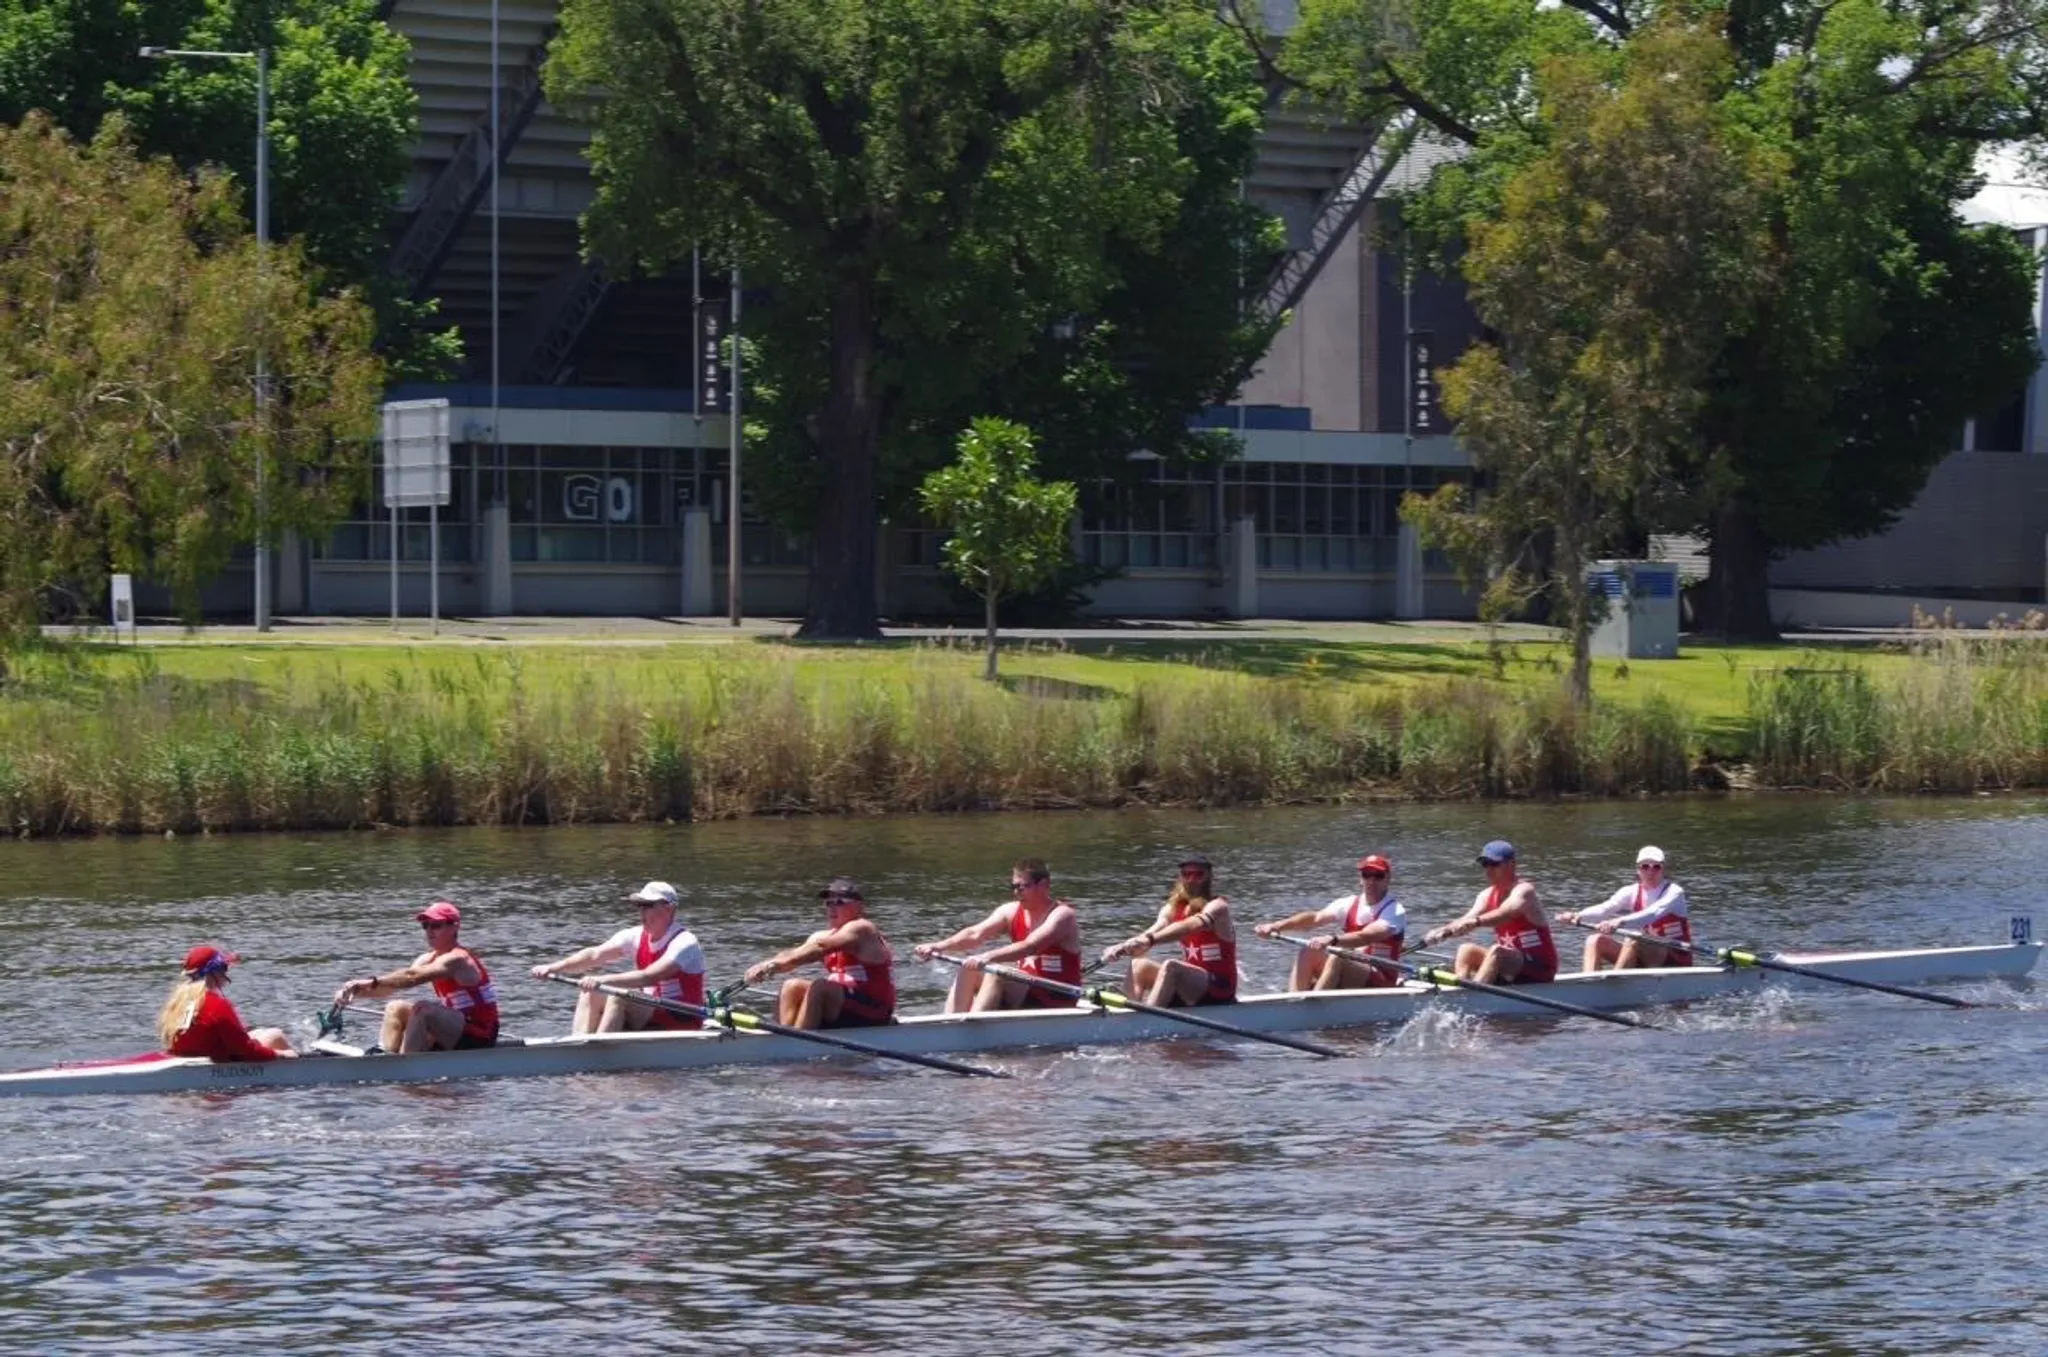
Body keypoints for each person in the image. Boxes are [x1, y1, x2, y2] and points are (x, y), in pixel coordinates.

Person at [530, 881, 709, 1033]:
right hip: (650, 1013)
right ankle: (581, 1045)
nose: (642, 912)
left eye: (648, 906)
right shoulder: (635, 936)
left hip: (681, 1019)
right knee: (591, 991)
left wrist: (602, 980)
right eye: (640, 906)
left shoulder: (685, 943)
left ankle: (598, 1053)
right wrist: (553, 967)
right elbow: (594, 955)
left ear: (669, 909)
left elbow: (649, 976)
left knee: (618, 994)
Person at [913, 858, 1084, 1013]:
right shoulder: (1009, 911)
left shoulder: (1063, 916)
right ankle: (951, 1023)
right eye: (1014, 887)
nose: (1017, 892)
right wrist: (938, 946)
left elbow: (1031, 946)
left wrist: (987, 957)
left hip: (1057, 996)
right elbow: (975, 934)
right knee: (968, 967)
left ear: (1044, 885)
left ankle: (972, 1028)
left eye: (1023, 886)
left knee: (997, 972)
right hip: (1027, 991)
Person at [334, 901, 500, 1053]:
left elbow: (411, 977)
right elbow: (391, 987)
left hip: (480, 1035)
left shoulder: (459, 959)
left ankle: (405, 1065)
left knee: (423, 1009)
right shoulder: (427, 959)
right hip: (455, 1029)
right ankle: (385, 1055)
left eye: (436, 925)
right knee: (395, 1007)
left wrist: (372, 981)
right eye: (426, 925)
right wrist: (354, 992)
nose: (429, 931)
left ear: (455, 927)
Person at [743, 877, 897, 1029]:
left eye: (839, 902)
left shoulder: (863, 929)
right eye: (828, 903)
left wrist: (775, 964)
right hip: (845, 1007)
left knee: (820, 986)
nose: (832, 908)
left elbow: (820, 948)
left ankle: (798, 1042)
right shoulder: (822, 935)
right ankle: (786, 1037)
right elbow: (793, 957)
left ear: (859, 907)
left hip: (875, 1010)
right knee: (792, 986)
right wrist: (767, 966)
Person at [1253, 854, 1408, 991]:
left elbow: (1366, 936)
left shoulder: (1395, 911)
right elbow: (1314, 919)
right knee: (1308, 950)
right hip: (1353, 969)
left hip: (1381, 978)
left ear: (1388, 879)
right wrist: (1276, 926)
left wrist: (1332, 939)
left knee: (1338, 954)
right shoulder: (1348, 903)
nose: (1372, 881)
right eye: (1367, 875)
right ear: (1361, 879)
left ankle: (1312, 1007)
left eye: (1378, 876)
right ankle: (1295, 1000)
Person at [1102, 854, 1238, 1006]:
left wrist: (1150, 940)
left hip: (1219, 987)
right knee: (1139, 965)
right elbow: (1152, 932)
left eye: (1198, 875)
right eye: (1187, 874)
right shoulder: (1172, 908)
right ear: (1181, 878)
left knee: (1171, 966)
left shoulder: (1218, 906)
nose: (1192, 880)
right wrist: (1122, 947)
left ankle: (1147, 1022)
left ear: (1209, 877)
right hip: (1191, 984)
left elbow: (1190, 925)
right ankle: (1125, 1018)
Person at [1422, 840, 1560, 984]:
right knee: (1466, 950)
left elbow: (1506, 913)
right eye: (1485, 864)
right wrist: (1442, 930)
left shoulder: (1524, 891)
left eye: (1494, 864)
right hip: (1512, 963)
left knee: (1497, 952)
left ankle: (1476, 997)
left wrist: (1476, 922)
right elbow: (1468, 917)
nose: (1488, 870)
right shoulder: (1486, 895)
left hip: (1540, 967)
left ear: (1512, 864)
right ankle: (1460, 994)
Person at [1560, 846, 1693, 971]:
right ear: (1638, 870)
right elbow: (1605, 909)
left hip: (1675, 960)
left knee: (1633, 937)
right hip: (1645, 957)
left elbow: (1652, 913)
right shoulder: (1631, 891)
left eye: (1656, 867)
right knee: (1594, 940)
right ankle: (1589, 984)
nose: (1650, 871)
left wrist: (1618, 922)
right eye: (1645, 867)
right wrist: (1577, 915)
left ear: (1662, 869)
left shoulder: (1675, 892)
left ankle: (1616, 983)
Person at [158, 945, 296, 1062]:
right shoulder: (216, 1005)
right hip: (215, 1060)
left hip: (191, 1054)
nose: (226, 972)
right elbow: (244, 1050)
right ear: (213, 972)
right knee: (276, 1035)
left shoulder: (178, 1001)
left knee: (259, 1033)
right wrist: (279, 1055)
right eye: (224, 968)